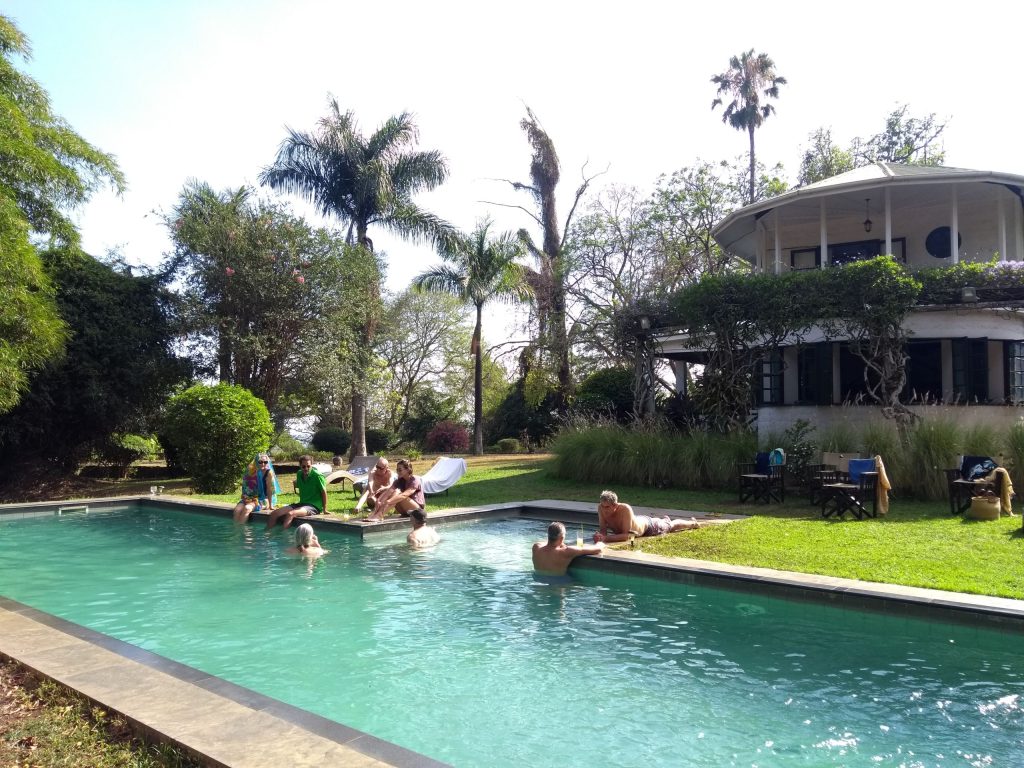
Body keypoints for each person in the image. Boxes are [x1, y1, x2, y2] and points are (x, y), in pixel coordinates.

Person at [593, 489, 699, 543]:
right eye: (602, 506)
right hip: (639, 521)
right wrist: (600, 536)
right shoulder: (601, 508)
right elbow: (603, 529)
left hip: (649, 527)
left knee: (671, 526)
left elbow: (627, 536)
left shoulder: (625, 509)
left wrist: (606, 538)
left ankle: (693, 523)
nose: (604, 509)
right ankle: (664, 520)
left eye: (607, 507)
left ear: (615, 505)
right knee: (666, 523)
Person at [266, 455, 328, 529]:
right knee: (274, 513)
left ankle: (284, 536)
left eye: (308, 466)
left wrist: (324, 509)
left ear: (311, 465)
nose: (306, 468)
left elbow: (324, 492)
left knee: (290, 514)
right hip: (302, 503)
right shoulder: (299, 474)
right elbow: (300, 484)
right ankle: (267, 535)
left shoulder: (317, 476)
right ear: (300, 466)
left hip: (314, 506)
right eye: (303, 466)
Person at [533, 521, 605, 576]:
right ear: (562, 538)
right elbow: (598, 549)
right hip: (557, 585)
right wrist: (600, 542)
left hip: (538, 580)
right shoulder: (566, 552)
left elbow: (546, 543)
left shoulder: (536, 547)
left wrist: (560, 543)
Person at [232, 453, 280, 523]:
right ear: (256, 462)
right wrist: (245, 497)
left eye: (265, 462)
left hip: (262, 499)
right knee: (237, 510)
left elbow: (269, 490)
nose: (263, 464)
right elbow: (246, 486)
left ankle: (243, 532)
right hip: (248, 497)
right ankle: (236, 532)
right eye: (260, 462)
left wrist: (270, 505)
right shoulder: (250, 471)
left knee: (247, 508)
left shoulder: (268, 472)